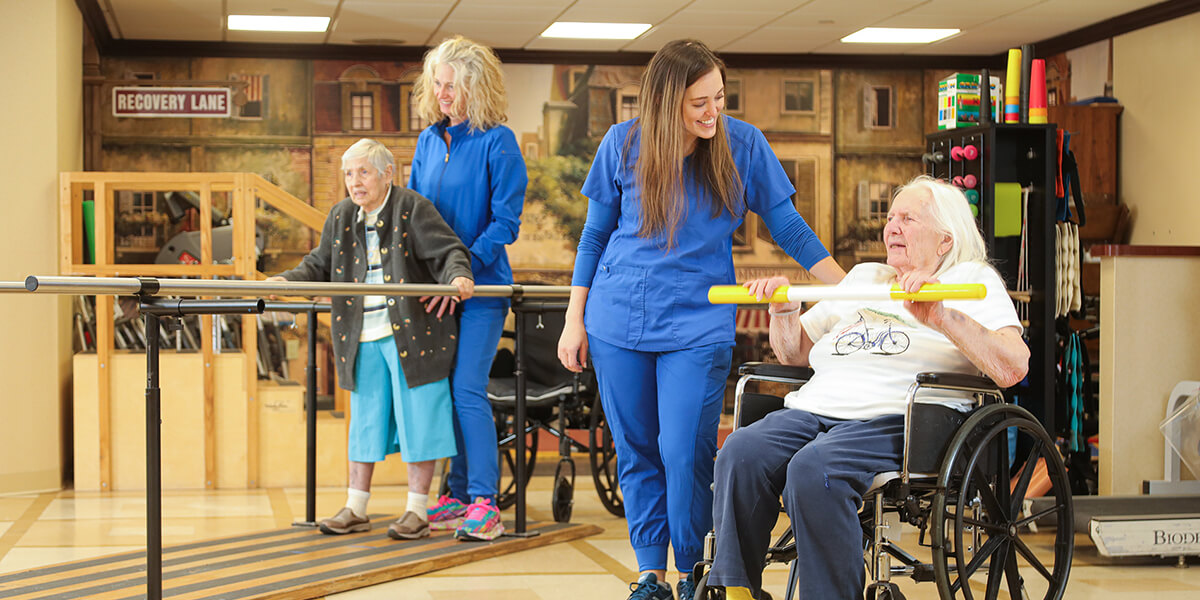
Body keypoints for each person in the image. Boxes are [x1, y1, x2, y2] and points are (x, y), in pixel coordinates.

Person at [556, 39, 845, 600]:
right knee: (636, 446)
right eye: (699, 103)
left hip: (698, 318)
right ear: (667, 103)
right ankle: (650, 573)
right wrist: (575, 318)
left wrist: (851, 286)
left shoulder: (742, 145)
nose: (713, 111)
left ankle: (692, 569)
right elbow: (593, 237)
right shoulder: (623, 144)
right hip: (617, 318)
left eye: (719, 96)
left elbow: (787, 227)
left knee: (684, 447)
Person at [707, 175, 1030, 600]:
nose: (891, 226)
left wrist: (943, 316)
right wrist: (784, 311)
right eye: (890, 217)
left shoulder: (972, 280)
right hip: (816, 407)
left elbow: (1013, 367)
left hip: (898, 416)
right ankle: (736, 590)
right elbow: (794, 354)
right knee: (740, 451)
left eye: (908, 219)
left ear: (944, 241)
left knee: (814, 470)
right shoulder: (865, 278)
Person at [269, 138, 474, 541]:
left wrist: (458, 277)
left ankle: (417, 511)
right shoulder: (342, 215)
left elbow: (449, 251)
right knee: (364, 424)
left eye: (363, 172)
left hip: (415, 336)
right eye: (348, 173)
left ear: (386, 174)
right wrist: (286, 281)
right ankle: (356, 507)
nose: (354, 182)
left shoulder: (412, 207)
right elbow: (318, 264)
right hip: (361, 337)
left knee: (422, 421)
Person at [408, 35, 527, 542]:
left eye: (452, 86)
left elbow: (506, 223)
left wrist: (462, 270)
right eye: (437, 85)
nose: (442, 95)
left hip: (482, 290)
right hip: (434, 290)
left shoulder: (498, 142)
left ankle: (485, 500)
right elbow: (411, 217)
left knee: (466, 390)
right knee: (442, 392)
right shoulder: (427, 142)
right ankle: (455, 494)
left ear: (474, 87)